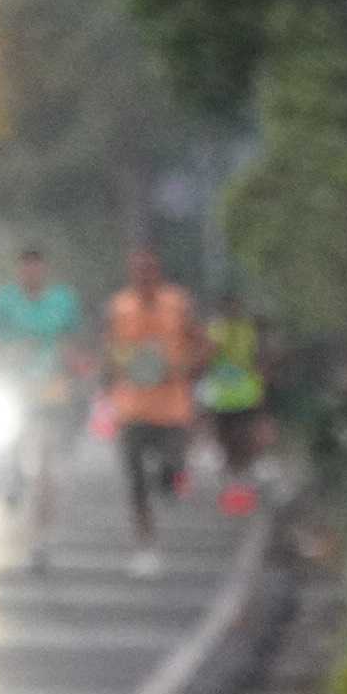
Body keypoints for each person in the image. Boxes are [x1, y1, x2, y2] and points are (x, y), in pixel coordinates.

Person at [0, 246, 84, 571]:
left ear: (44, 270)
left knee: (45, 469)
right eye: (26, 269)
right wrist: (5, 357)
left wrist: (75, 371)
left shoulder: (62, 302)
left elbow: (72, 344)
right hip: (13, 391)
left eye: (36, 268)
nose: (31, 274)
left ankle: (41, 538)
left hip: (50, 393)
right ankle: (9, 476)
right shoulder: (1, 303)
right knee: (10, 447)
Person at [103, 245, 199, 574]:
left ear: (158, 271)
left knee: (173, 466)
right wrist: (110, 378)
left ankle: (170, 480)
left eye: (149, 269)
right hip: (131, 407)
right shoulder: (119, 306)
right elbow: (110, 348)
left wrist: (185, 366)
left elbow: (199, 342)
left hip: (172, 406)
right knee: (135, 480)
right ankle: (145, 543)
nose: (143, 276)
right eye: (138, 270)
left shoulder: (178, 303)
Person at [194, 295, 269, 514]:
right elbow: (205, 358)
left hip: (245, 395)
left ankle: (240, 484)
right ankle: (233, 486)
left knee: (243, 440)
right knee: (227, 441)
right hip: (223, 397)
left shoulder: (246, 330)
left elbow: (258, 358)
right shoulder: (216, 330)